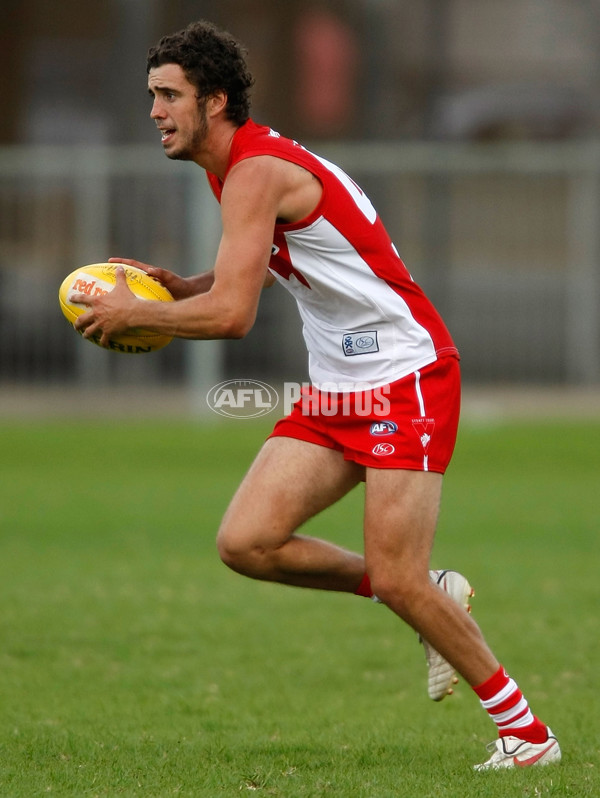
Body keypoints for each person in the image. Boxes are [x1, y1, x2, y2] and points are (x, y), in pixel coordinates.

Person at [72, 20, 560, 770]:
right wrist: (187, 286)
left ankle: (527, 735)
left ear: (216, 100)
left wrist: (136, 312)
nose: (155, 111)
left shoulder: (254, 170)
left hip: (406, 380)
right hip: (338, 387)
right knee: (248, 542)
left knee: (394, 573)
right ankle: (430, 593)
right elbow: (274, 262)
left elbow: (233, 319)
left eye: (170, 95)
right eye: (152, 96)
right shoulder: (234, 168)